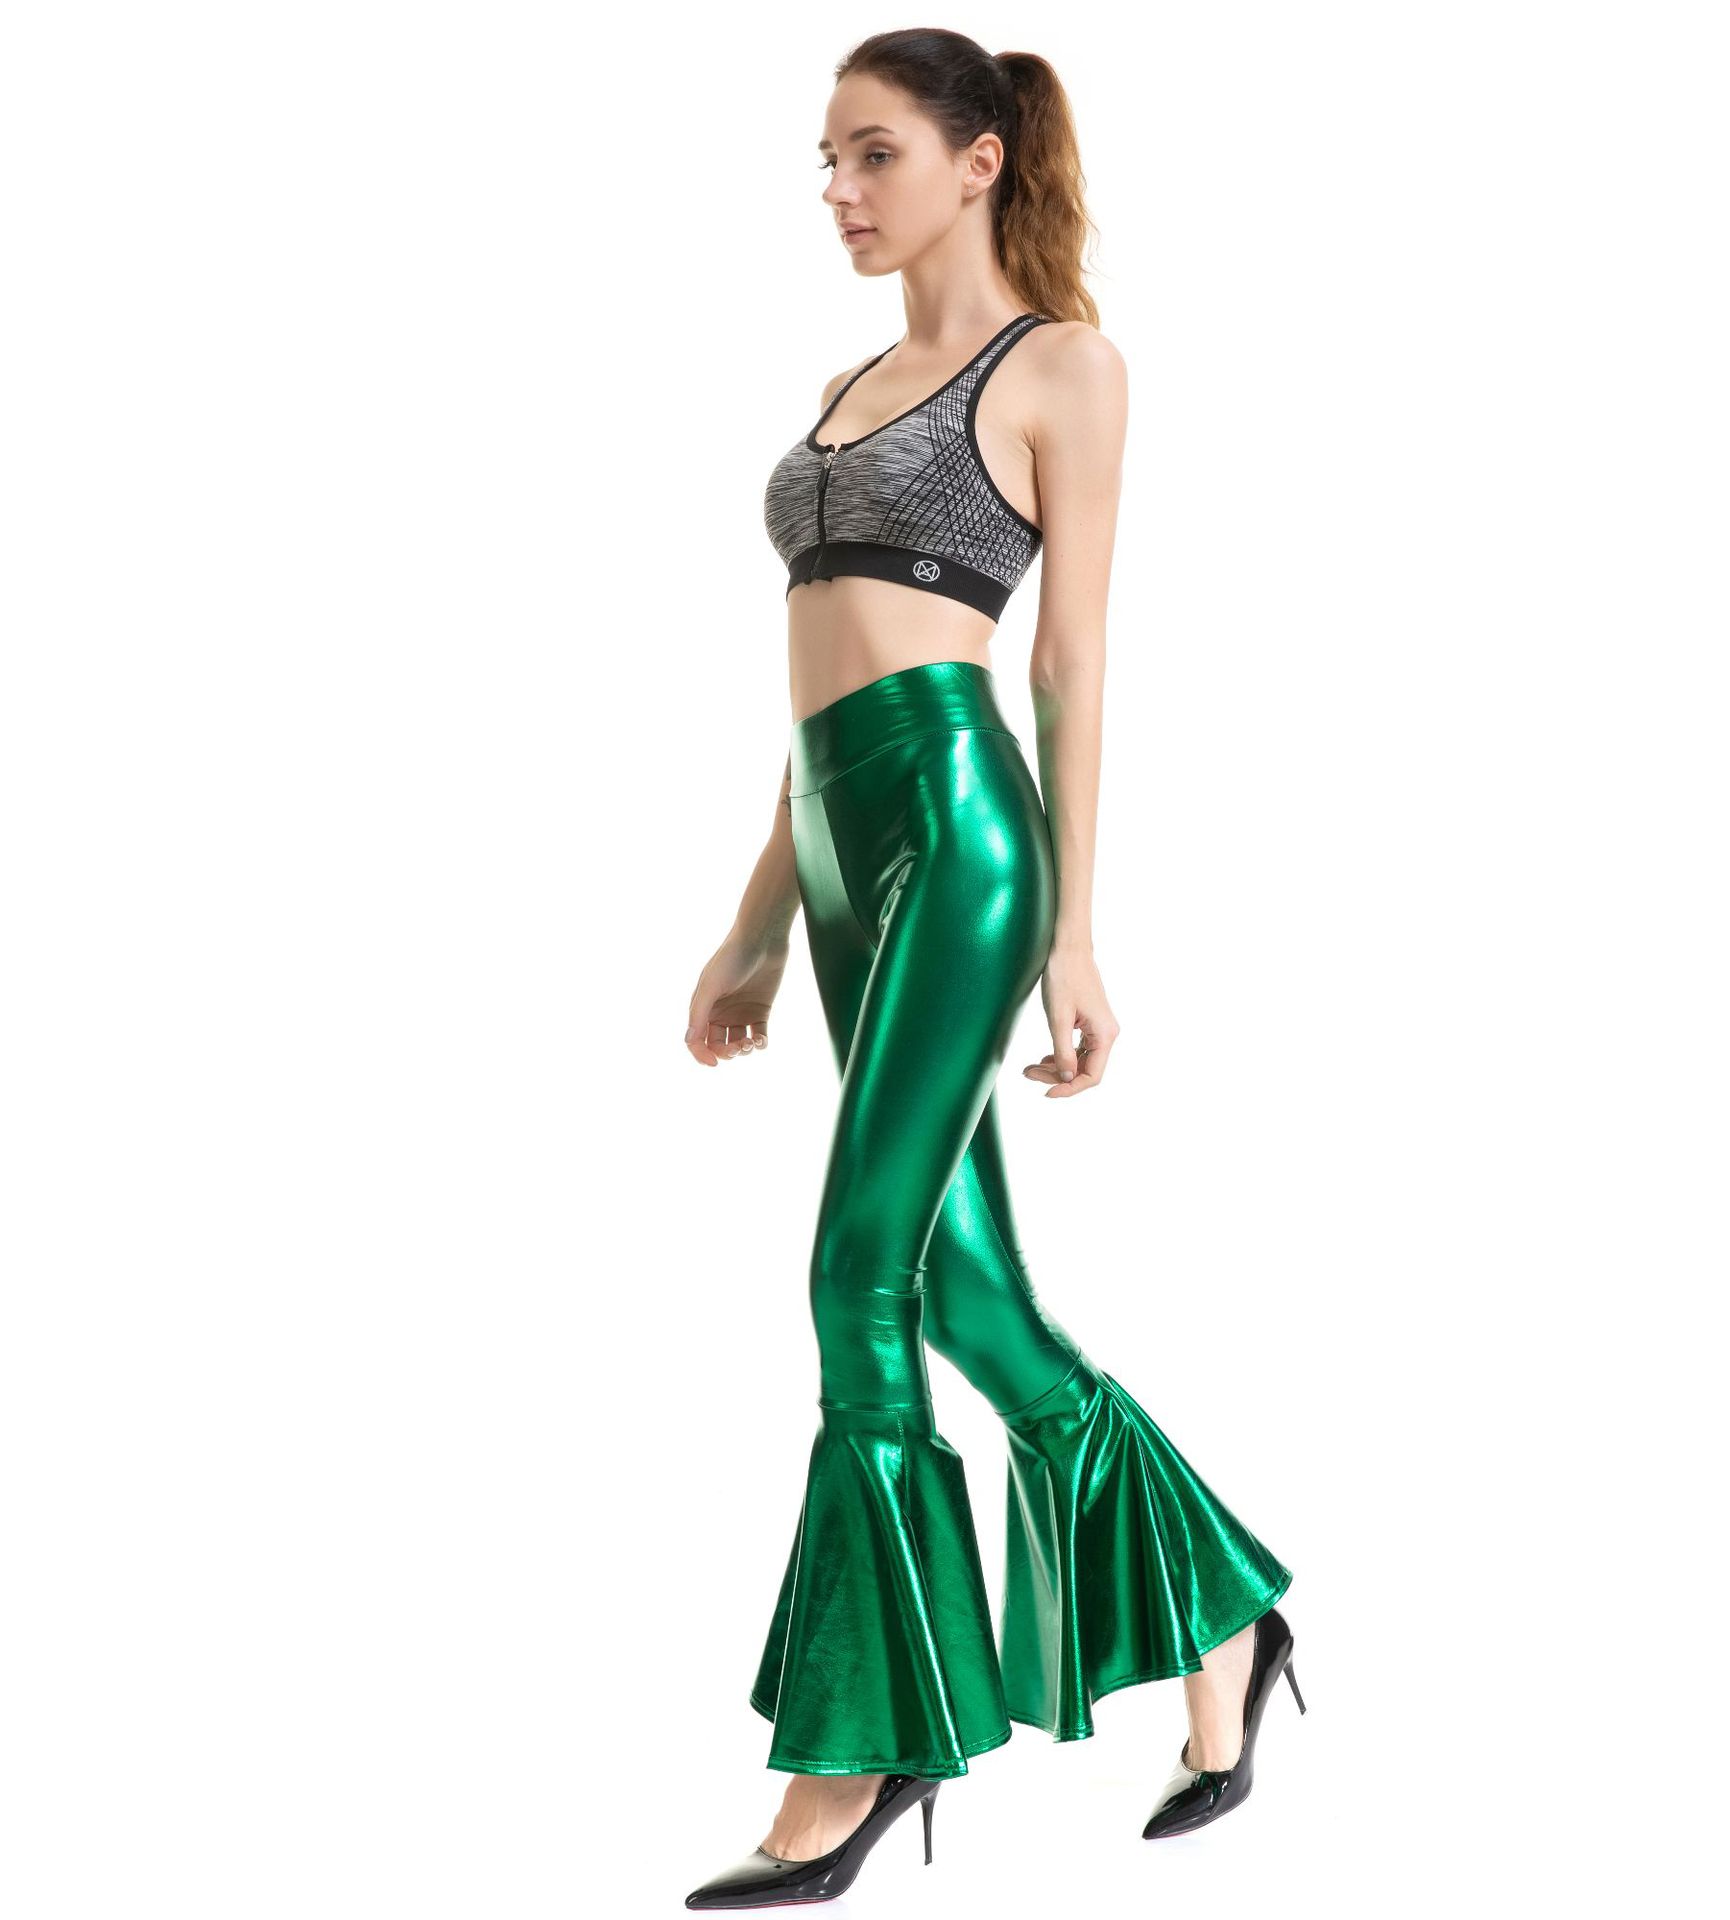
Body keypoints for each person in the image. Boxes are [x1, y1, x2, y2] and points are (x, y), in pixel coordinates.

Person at [680, 31, 1304, 1908]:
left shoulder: (1063, 369)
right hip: (839, 838)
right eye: (825, 158)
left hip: (961, 836)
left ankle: (865, 1749)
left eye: (873, 152)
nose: (839, 190)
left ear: (978, 158)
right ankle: (1222, 1618)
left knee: (852, 1277)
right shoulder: (846, 386)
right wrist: (757, 918)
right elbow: (811, 691)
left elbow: (1068, 662)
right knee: (965, 1294)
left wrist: (1078, 931)